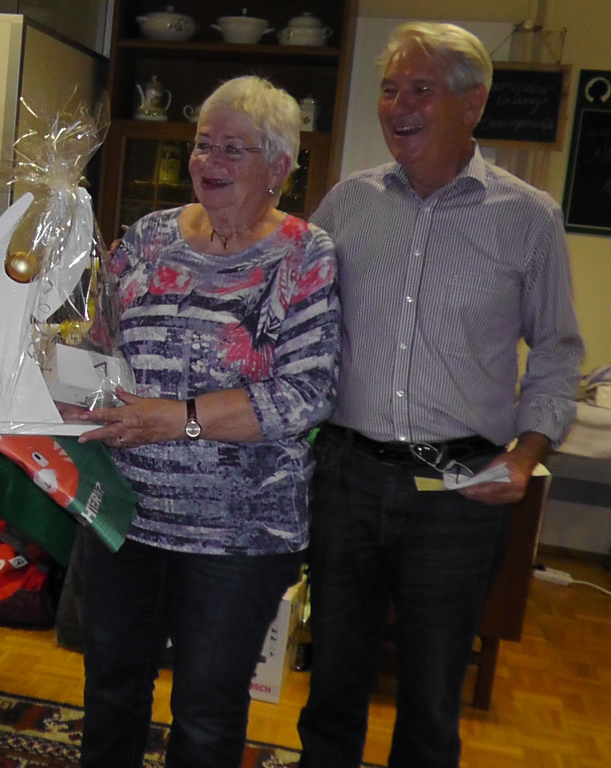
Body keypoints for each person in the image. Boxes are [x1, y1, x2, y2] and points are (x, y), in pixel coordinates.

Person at [297, 22, 584, 768]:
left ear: (473, 103)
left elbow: (557, 352)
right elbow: (288, 305)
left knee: (429, 696)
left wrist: (524, 456)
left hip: (459, 481)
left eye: (420, 89)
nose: (398, 107)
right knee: (331, 681)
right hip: (347, 472)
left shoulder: (527, 217)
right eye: (389, 89)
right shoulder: (348, 203)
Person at [74, 75, 340, 768]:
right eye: (201, 144)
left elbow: (307, 394)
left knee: (206, 714)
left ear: (278, 166)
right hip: (123, 513)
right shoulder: (148, 236)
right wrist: (55, 381)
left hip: (238, 534)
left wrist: (178, 420)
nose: (208, 160)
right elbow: (99, 345)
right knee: (110, 692)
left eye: (232, 148)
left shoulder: (305, 254)